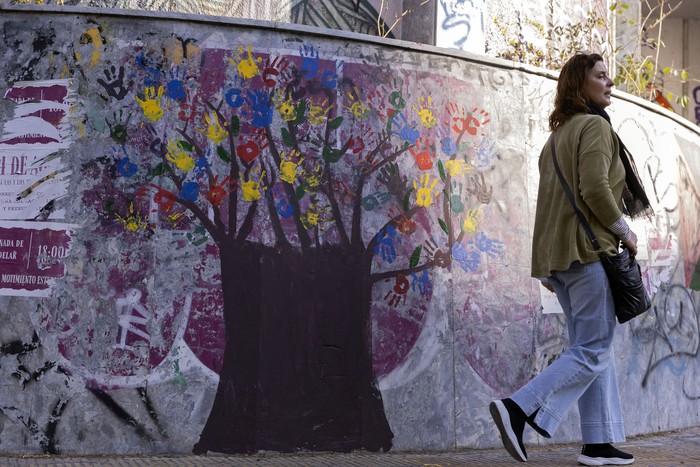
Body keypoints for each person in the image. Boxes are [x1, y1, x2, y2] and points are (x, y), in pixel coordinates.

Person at [489, 52, 652, 465]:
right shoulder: (595, 127)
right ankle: (517, 408)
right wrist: (626, 232)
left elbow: (549, 204)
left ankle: (597, 443)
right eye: (601, 76)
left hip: (561, 260)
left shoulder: (554, 139)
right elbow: (596, 189)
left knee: (591, 349)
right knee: (593, 349)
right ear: (581, 86)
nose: (610, 81)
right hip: (589, 254)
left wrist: (547, 265)